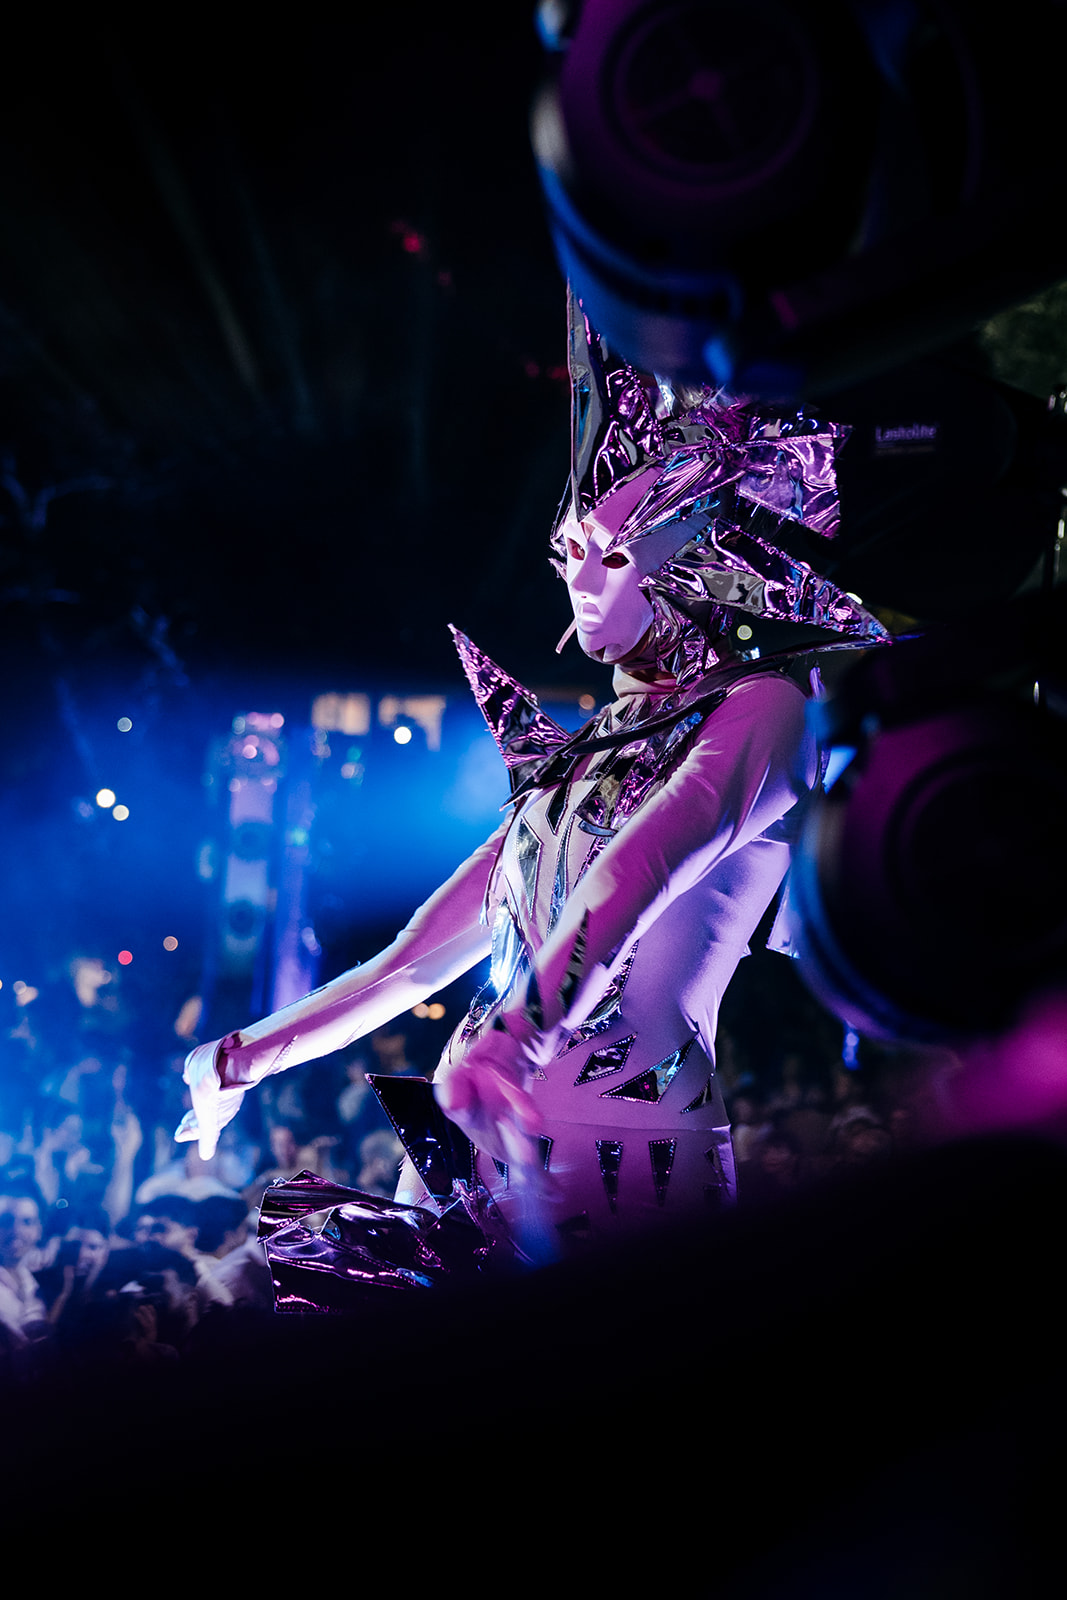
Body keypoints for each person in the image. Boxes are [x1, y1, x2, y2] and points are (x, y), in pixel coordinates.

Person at [176, 294, 887, 1260]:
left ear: (694, 555)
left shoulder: (763, 710)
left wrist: (516, 1040)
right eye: (568, 554)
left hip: (626, 1162)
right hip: (459, 1150)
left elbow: (637, 871)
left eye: (615, 557)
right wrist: (237, 1060)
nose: (579, 582)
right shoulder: (586, 751)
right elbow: (410, 964)